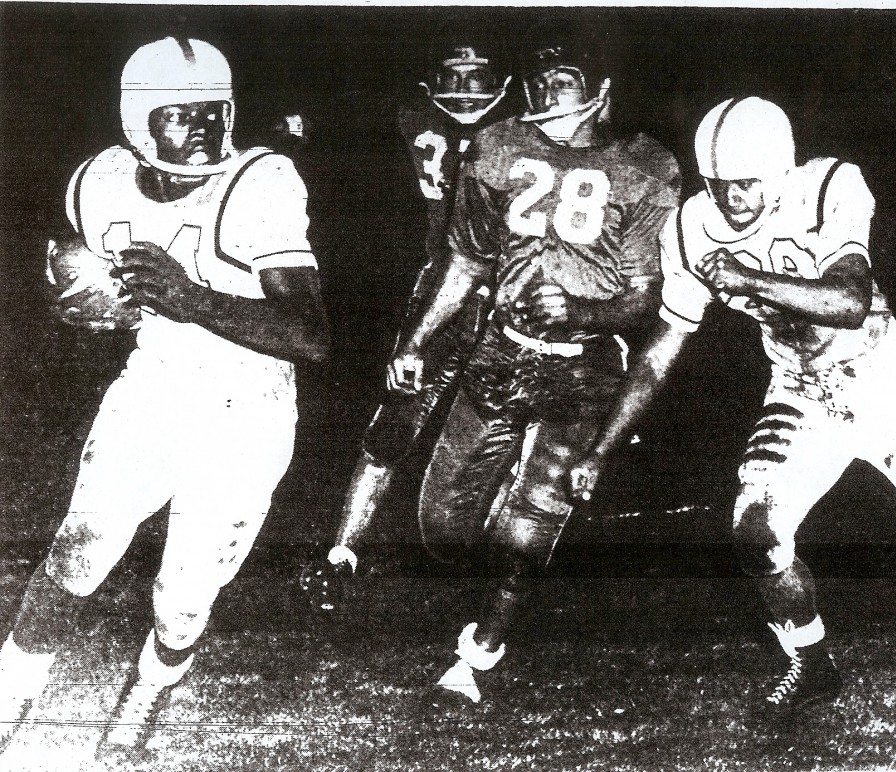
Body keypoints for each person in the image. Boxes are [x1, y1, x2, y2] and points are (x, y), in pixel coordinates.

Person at [568, 96, 896, 719]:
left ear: (781, 169)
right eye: (720, 183)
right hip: (800, 390)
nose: (733, 198)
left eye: (748, 182)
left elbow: (850, 300)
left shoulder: (829, 187)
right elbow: (660, 349)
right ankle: (810, 663)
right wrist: (602, 447)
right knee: (756, 531)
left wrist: (747, 279)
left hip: (885, 381)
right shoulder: (687, 226)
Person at [0, 36, 330, 754]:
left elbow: (312, 336)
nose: (206, 127)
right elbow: (73, 264)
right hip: (155, 385)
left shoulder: (261, 182)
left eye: (215, 111)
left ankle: (147, 691)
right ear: (138, 119)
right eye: (182, 114)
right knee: (78, 551)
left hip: (249, 401)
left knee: (181, 602)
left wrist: (190, 297)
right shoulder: (98, 180)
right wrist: (81, 294)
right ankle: (7, 703)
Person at [389, 38, 681, 704]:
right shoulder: (497, 146)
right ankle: (511, 508)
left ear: (601, 87)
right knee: (441, 532)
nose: (549, 96)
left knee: (527, 535)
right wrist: (415, 342)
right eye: (540, 81)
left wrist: (580, 308)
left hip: (584, 364)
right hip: (500, 350)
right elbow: (464, 265)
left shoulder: (645, 165)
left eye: (564, 81)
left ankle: (477, 657)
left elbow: (643, 300)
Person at [309, 33, 511, 594]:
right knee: (394, 419)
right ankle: (340, 555)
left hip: (516, 295)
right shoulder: (410, 116)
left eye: (478, 78)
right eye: (453, 77)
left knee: (508, 426)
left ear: (504, 83)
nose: (466, 90)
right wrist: (300, 125)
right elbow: (342, 115)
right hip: (439, 289)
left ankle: (501, 565)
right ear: (430, 85)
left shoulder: (529, 130)